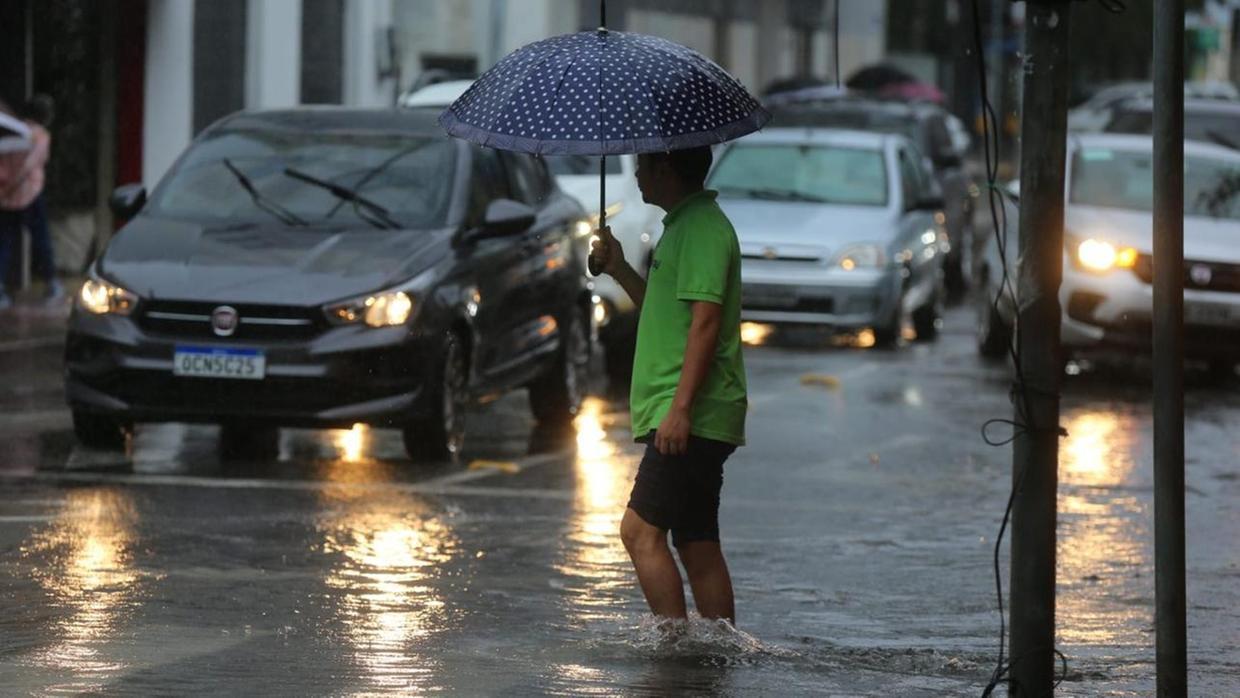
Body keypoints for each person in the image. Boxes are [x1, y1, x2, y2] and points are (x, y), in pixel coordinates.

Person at [591, 145, 748, 626]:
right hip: (693, 411)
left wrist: (679, 410)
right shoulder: (683, 225)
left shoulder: (701, 229)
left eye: (643, 165)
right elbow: (663, 310)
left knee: (639, 532)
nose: (637, 174)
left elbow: (705, 322)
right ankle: (718, 652)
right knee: (696, 542)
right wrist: (618, 267)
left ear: (666, 169)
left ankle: (675, 651)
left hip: (690, 413)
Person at [0, 94, 59, 309]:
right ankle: (51, 283)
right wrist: (13, 185)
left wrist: (5, 191)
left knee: (5, 242)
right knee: (40, 240)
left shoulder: (11, 132)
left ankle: (1, 290)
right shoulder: (38, 136)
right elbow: (29, 167)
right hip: (30, 195)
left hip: (6, 197)